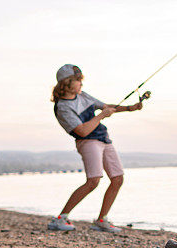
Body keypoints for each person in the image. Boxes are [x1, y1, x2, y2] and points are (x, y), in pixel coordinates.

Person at [48, 64, 143, 233]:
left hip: (103, 138)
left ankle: (101, 220)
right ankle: (60, 218)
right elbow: (82, 130)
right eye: (78, 81)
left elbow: (106, 107)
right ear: (67, 83)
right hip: (88, 142)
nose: (81, 84)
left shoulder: (83, 95)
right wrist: (101, 115)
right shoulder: (63, 107)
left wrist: (130, 108)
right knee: (93, 181)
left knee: (118, 178)